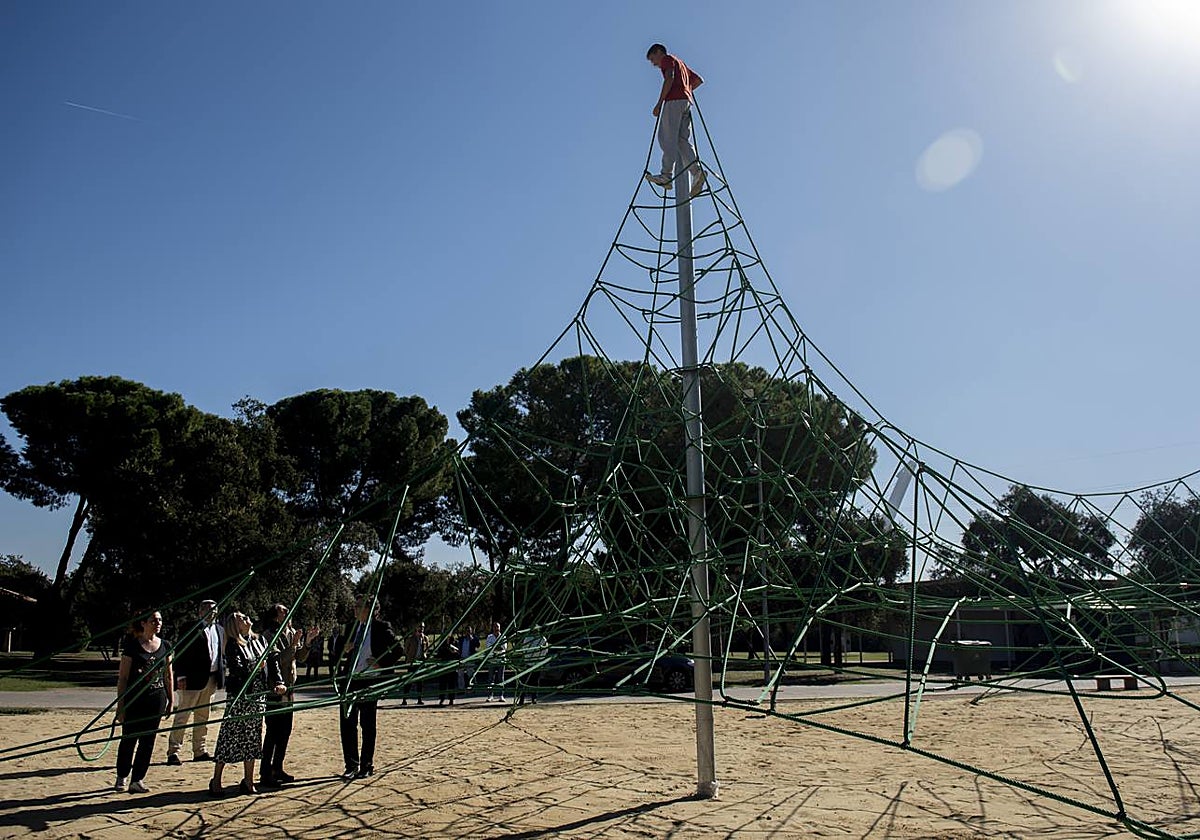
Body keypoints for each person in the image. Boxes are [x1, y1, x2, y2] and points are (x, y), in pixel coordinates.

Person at [209, 611, 284, 797]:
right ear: (235, 626)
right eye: (241, 618)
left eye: (246, 616)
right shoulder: (233, 645)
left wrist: (279, 682)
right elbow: (237, 669)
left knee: (253, 737)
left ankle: (248, 781)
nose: (247, 618)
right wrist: (255, 667)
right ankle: (216, 780)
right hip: (240, 697)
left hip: (257, 697)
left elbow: (272, 662)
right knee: (229, 736)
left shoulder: (260, 640)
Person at [337, 597, 398, 780]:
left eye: (359, 606)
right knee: (347, 723)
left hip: (370, 681)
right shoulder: (350, 628)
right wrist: (344, 649)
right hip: (350, 680)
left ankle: (366, 765)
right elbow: (337, 650)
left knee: (367, 724)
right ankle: (351, 765)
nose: (355, 609)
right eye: (355, 605)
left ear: (371, 610)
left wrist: (382, 663)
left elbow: (398, 650)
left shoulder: (381, 627)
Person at [114, 610, 174, 793]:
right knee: (129, 738)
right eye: (154, 620)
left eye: (160, 620)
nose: (158, 623)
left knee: (148, 741)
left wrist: (171, 700)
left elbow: (168, 675)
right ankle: (122, 776)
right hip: (135, 700)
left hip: (157, 699)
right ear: (143, 623)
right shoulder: (132, 646)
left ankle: (137, 778)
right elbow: (123, 677)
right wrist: (121, 706)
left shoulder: (165, 645)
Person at [259, 604, 318, 788]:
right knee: (273, 732)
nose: (288, 613)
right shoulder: (270, 634)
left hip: (290, 689)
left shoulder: (291, 631)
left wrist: (307, 642)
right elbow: (276, 659)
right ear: (276, 615)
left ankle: (278, 767)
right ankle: (265, 771)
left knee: (285, 731)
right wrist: (292, 646)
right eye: (284, 611)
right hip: (276, 689)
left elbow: (299, 658)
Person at [644, 43, 706, 198]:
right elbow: (697, 80)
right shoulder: (682, 64)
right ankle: (697, 172)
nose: (654, 64)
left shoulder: (667, 59)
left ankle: (666, 175)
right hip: (686, 103)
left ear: (659, 52)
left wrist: (659, 103)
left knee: (667, 138)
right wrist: (685, 89)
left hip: (673, 101)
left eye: (653, 59)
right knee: (682, 141)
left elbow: (669, 77)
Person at [167, 599, 224, 765]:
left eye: (214, 608)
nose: (211, 611)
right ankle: (174, 751)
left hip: (212, 678)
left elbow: (220, 653)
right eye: (207, 608)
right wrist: (180, 676)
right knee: (183, 715)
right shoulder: (190, 627)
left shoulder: (219, 629)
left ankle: (199, 750)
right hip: (192, 678)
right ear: (200, 611)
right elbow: (181, 652)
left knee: (203, 715)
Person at [402, 621, 428, 706]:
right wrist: (410, 658)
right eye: (420, 627)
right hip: (412, 663)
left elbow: (426, 649)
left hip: (420, 662)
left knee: (420, 682)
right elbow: (406, 650)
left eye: (423, 627)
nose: (421, 629)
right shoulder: (410, 639)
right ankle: (404, 699)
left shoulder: (425, 639)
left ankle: (419, 699)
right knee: (408, 682)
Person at [484, 621, 507, 703]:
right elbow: (488, 647)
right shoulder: (489, 637)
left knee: (501, 678)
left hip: (501, 660)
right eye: (495, 627)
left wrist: (494, 648)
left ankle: (501, 695)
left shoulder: (503, 637)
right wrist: (496, 648)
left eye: (497, 627)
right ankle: (490, 696)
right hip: (492, 661)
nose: (496, 628)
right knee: (490, 679)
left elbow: (503, 648)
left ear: (499, 628)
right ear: (493, 628)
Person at [436, 634, 458, 706]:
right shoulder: (442, 646)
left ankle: (451, 699)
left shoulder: (454, 644)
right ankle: (442, 699)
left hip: (451, 667)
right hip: (443, 667)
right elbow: (439, 655)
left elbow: (457, 654)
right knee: (443, 684)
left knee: (451, 684)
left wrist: (453, 651)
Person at [457, 626, 478, 691]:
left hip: (470, 658)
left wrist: (473, 639)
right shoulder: (461, 639)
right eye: (466, 631)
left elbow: (478, 645)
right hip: (462, 658)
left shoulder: (473, 639)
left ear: (471, 631)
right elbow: (458, 647)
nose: (467, 632)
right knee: (460, 674)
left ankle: (471, 687)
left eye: (469, 631)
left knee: (470, 673)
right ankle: (461, 688)